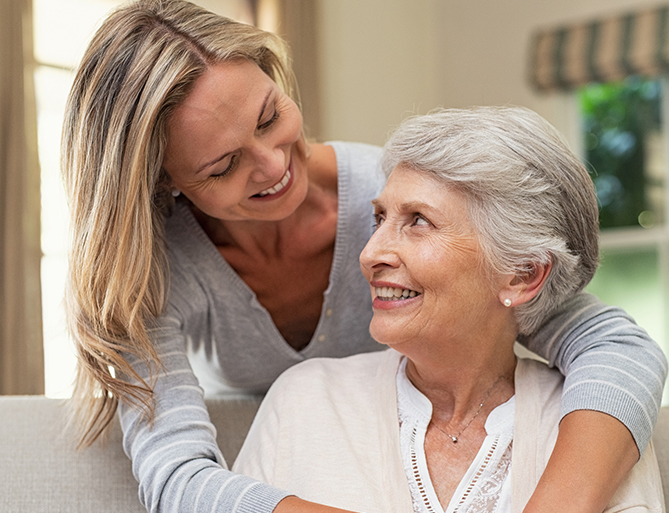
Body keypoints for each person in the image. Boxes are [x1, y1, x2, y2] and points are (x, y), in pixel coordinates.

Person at [60, 1, 666, 512]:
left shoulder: (396, 191)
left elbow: (612, 345)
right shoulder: (152, 271)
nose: (273, 166)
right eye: (222, 166)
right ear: (166, 183)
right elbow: (177, 478)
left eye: (270, 118)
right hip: (277, 466)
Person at [233, 106, 666, 513]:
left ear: (522, 274)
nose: (369, 254)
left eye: (419, 220)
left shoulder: (597, 426)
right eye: (379, 219)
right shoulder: (305, 400)